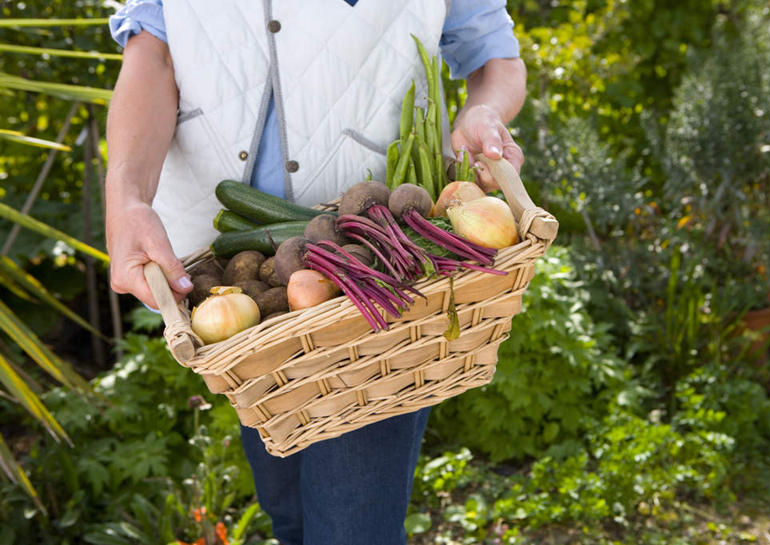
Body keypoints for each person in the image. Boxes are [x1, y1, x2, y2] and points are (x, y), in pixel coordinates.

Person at [105, 1, 526, 543]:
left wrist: (484, 111)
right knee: (288, 509)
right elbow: (153, 54)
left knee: (352, 527)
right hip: (242, 288)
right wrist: (127, 200)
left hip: (375, 276)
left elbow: (494, 55)